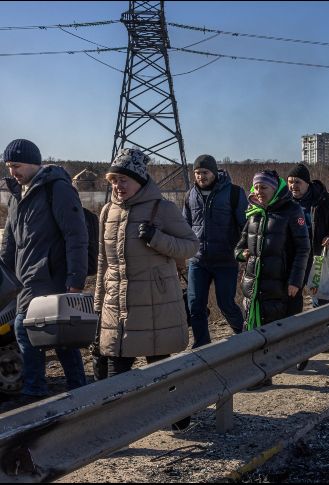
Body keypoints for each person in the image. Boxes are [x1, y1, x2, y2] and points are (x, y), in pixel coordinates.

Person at [95, 148, 198, 428]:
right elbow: (103, 262)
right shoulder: (107, 211)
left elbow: (191, 245)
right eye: (114, 180)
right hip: (117, 305)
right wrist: (97, 307)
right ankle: (114, 430)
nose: (118, 186)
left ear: (140, 179)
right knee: (116, 372)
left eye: (123, 180)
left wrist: (157, 239)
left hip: (156, 304)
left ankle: (179, 415)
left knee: (160, 369)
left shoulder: (162, 208)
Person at [0, 139, 88, 400]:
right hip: (27, 281)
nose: (12, 172)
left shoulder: (57, 189)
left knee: (26, 332)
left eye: (16, 165)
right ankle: (79, 392)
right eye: (8, 166)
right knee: (58, 340)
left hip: (53, 278)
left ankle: (35, 393)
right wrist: (5, 277)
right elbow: (10, 241)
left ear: (33, 163)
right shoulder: (19, 194)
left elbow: (76, 235)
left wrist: (75, 281)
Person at [235, 170, 310, 384]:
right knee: (253, 330)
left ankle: (295, 355)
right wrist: (243, 254)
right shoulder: (253, 213)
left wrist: (296, 281)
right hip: (254, 284)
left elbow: (302, 249)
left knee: (276, 329)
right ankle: (259, 375)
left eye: (263, 188)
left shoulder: (292, 211)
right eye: (256, 188)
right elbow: (238, 247)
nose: (259, 192)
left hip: (280, 284)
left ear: (275, 189)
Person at [183, 154, 248, 348]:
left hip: (225, 259)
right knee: (195, 305)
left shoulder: (234, 192)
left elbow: (245, 226)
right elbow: (185, 225)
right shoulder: (190, 195)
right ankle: (202, 345)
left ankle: (245, 336)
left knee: (226, 304)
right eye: (197, 173)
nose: (201, 177)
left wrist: (244, 252)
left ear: (214, 172)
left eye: (204, 172)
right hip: (198, 260)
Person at [287, 164, 329, 311]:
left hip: (318, 256)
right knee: (292, 298)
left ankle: (324, 330)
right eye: (290, 182)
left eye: (297, 182)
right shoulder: (284, 202)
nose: (293, 186)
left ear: (307, 183)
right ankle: (295, 331)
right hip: (293, 258)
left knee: (322, 300)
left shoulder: (323, 200)